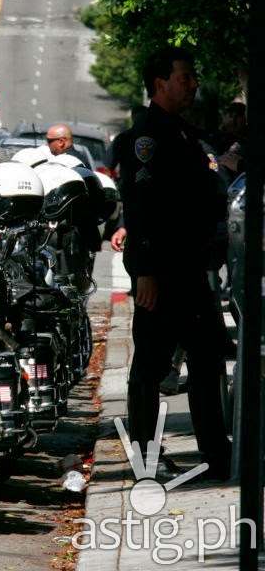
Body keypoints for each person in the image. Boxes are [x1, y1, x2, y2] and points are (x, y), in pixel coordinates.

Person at [119, 46, 232, 480]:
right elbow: (141, 206)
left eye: (192, 76)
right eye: (184, 77)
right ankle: (145, 459)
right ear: (160, 83)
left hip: (189, 269)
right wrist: (143, 271)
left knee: (206, 359)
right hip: (162, 274)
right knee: (150, 366)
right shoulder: (147, 137)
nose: (192, 84)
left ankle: (215, 453)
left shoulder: (182, 133)